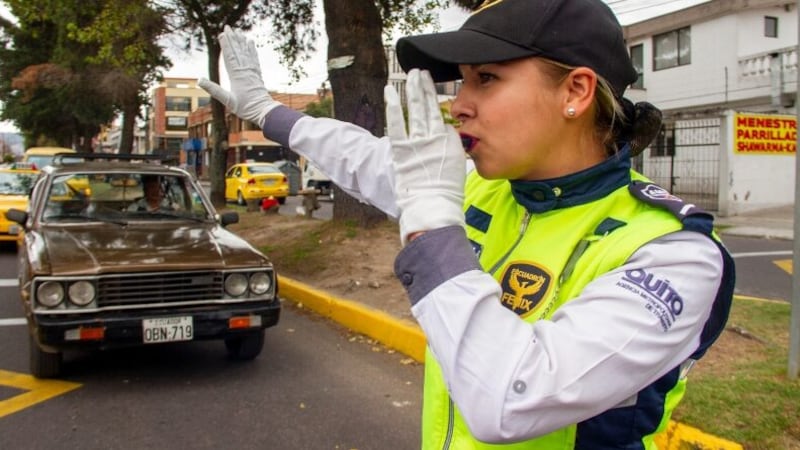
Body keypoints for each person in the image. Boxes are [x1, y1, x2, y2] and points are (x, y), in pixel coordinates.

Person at [199, 0, 734, 447]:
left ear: (575, 91)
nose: (460, 106)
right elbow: (360, 156)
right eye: (462, 83)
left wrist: (432, 224)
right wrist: (266, 109)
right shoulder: (482, 187)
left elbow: (510, 398)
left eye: (486, 79)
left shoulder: (671, 251)